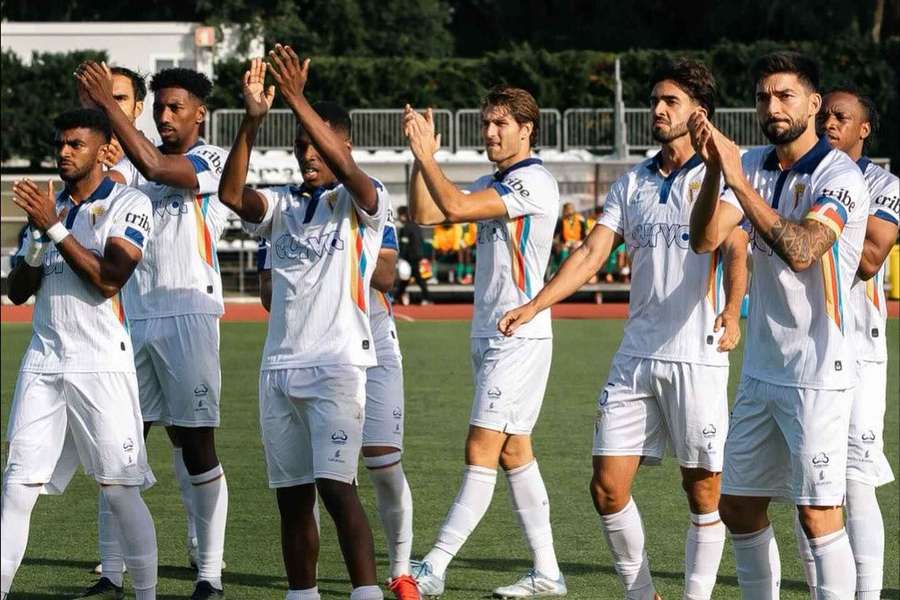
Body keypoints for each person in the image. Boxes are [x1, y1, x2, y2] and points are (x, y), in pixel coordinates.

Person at [499, 59, 747, 600]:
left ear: (698, 113)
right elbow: (592, 252)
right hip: (636, 353)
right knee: (608, 488)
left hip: (697, 355)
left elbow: (734, 248)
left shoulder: (722, 174)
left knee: (703, 488)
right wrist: (536, 303)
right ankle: (641, 594)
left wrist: (732, 310)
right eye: (655, 100)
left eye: (670, 102)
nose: (657, 110)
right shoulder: (633, 180)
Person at [687, 51, 869, 598]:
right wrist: (718, 172)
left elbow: (805, 251)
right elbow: (704, 239)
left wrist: (739, 184)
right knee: (737, 506)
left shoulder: (838, 175)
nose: (773, 105)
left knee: (817, 515)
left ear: (813, 103)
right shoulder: (756, 164)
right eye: (764, 96)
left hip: (818, 371)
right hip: (763, 369)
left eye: (785, 95)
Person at [217, 51, 388, 600]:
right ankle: (302, 594)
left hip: (338, 366)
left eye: (317, 146)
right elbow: (229, 196)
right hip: (279, 369)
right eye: (300, 148)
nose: (307, 155)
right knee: (291, 497)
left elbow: (347, 171)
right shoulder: (285, 205)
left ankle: (366, 593)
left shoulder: (364, 201)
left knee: (337, 488)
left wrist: (296, 99)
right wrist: (252, 119)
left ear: (342, 147)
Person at [77, 61, 230, 599]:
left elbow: (160, 168)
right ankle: (110, 573)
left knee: (196, 446)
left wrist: (112, 112)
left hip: (188, 315)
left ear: (199, 114)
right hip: (132, 320)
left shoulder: (210, 159)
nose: (165, 116)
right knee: (118, 447)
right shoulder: (133, 160)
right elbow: (111, 182)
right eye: (159, 107)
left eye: (175, 108)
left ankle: (209, 573)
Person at [405, 87, 565, 598]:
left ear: (527, 129)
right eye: (485, 123)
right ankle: (548, 572)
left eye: (500, 123)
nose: (490, 132)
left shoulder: (534, 181)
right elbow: (427, 214)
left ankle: (435, 565)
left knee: (480, 447)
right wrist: (418, 160)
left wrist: (430, 158)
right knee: (515, 452)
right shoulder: (493, 181)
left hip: (518, 335)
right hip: (492, 333)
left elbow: (449, 203)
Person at [1, 108, 157, 600]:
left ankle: (148, 593)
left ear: (103, 148)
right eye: (61, 144)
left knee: (119, 488)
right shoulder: (52, 206)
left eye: (76, 144)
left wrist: (53, 229)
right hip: (44, 362)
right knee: (17, 486)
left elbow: (109, 278)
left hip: (102, 364)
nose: (64, 152)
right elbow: (18, 291)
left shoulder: (129, 202)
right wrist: (34, 239)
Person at [791, 87, 897, 600]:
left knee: (854, 478)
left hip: (857, 346)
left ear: (864, 129)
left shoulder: (884, 182)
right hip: (803, 345)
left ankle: (869, 593)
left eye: (843, 116)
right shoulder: (800, 176)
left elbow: (872, 255)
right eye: (826, 114)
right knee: (807, 482)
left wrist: (806, 239)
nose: (831, 122)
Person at [395, 205, 432, 304]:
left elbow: (405, 244)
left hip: (411, 257)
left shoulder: (406, 227)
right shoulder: (416, 226)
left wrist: (401, 257)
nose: (399, 218)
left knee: (417, 278)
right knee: (406, 279)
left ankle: (426, 298)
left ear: (403, 215)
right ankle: (396, 297)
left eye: (400, 215)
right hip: (418, 255)